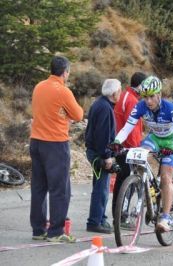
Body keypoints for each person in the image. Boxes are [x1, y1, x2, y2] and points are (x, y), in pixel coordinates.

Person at [113, 75, 173, 232]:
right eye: (145, 97)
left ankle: (165, 218)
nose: (148, 101)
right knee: (139, 158)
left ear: (159, 94)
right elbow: (126, 128)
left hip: (171, 141)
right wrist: (117, 142)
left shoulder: (171, 109)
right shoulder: (140, 106)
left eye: (152, 96)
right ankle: (146, 188)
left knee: (166, 177)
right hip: (154, 138)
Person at [30, 56, 83, 243]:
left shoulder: (39, 86)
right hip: (55, 143)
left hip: (36, 141)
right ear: (65, 72)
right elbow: (78, 114)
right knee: (59, 189)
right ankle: (56, 231)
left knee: (38, 187)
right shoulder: (63, 91)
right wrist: (65, 113)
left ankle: (38, 229)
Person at [85, 79, 122, 234]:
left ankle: (100, 218)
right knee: (101, 188)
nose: (121, 93)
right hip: (99, 154)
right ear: (114, 94)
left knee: (101, 187)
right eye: (120, 90)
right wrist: (107, 156)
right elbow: (103, 136)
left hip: (94, 151)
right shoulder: (105, 108)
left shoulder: (99, 104)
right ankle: (95, 221)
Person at [112, 72, 146, 221]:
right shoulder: (132, 100)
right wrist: (136, 147)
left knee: (121, 181)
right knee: (127, 182)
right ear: (140, 85)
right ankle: (121, 216)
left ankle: (118, 215)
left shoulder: (126, 95)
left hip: (122, 145)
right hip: (128, 147)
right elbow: (130, 127)